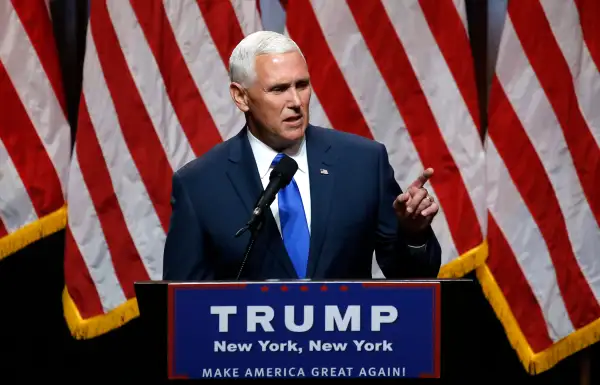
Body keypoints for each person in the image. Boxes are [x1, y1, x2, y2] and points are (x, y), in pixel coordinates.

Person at [162, 31, 441, 281]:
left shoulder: (362, 163)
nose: (296, 102)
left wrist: (414, 235)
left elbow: (412, 280)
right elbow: (180, 307)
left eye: (302, 85)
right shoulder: (200, 185)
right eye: (279, 89)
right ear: (241, 97)